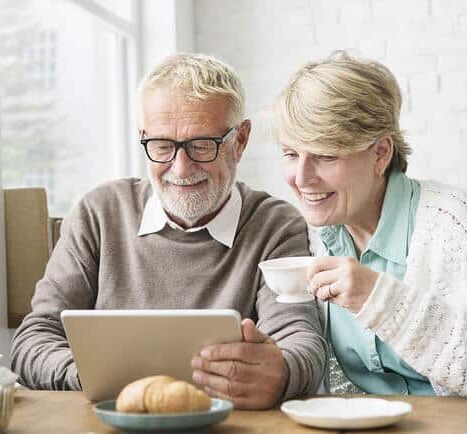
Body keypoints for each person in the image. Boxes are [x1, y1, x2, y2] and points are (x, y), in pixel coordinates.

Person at [11, 53, 327, 409]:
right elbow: (33, 340)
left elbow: (301, 341)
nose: (180, 167)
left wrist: (281, 373)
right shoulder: (99, 213)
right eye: (162, 146)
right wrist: (94, 376)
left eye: (201, 145)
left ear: (240, 141)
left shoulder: (275, 224)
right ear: (143, 137)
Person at [273, 50, 467, 396]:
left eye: (325, 155)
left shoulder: (452, 225)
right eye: (291, 154)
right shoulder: (311, 237)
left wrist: (379, 299)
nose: (302, 178)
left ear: (380, 153)